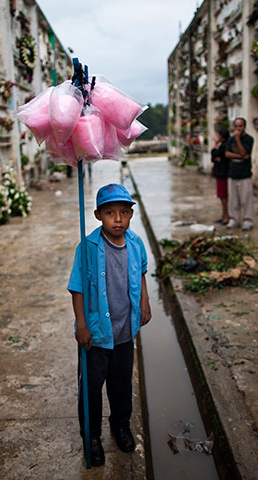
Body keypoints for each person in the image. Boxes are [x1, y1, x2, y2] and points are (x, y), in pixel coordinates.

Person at [67, 183, 152, 467]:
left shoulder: (136, 243)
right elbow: (77, 287)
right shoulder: (89, 247)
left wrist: (145, 302)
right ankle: (91, 437)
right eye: (110, 212)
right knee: (91, 388)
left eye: (124, 212)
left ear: (131, 215)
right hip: (96, 335)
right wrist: (81, 324)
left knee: (121, 384)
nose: (118, 219)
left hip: (125, 332)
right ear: (98, 215)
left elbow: (141, 274)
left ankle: (121, 426)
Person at [224, 117, 255, 230]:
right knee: (233, 200)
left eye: (240, 126)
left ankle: (248, 220)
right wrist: (240, 156)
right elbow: (227, 154)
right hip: (232, 173)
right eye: (236, 126)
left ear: (244, 127)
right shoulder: (230, 139)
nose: (238, 128)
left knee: (246, 199)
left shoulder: (249, 139)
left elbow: (245, 152)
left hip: (245, 174)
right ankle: (234, 219)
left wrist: (237, 139)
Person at [211, 125, 231, 224]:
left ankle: (226, 215)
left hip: (223, 173)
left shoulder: (224, 145)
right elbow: (213, 157)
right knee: (221, 196)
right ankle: (224, 215)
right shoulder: (222, 144)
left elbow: (215, 154)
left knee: (224, 196)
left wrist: (215, 144)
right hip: (219, 172)